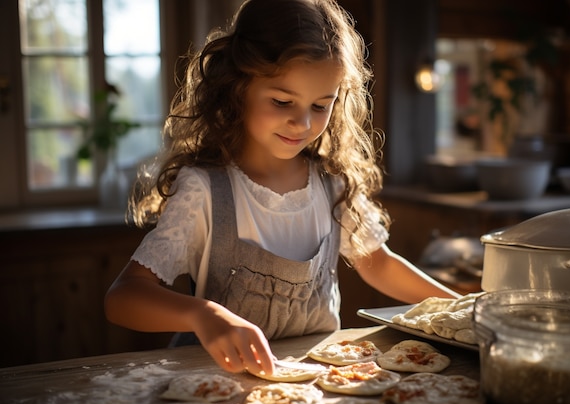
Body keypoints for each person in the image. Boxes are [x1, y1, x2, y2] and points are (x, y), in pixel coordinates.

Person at [104, 0, 460, 377]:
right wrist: (203, 314)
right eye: (282, 101)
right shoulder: (204, 191)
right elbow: (122, 299)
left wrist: (463, 307)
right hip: (220, 389)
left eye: (322, 105)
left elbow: (380, 264)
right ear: (237, 87)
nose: (302, 123)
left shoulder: (332, 184)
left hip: (316, 389)